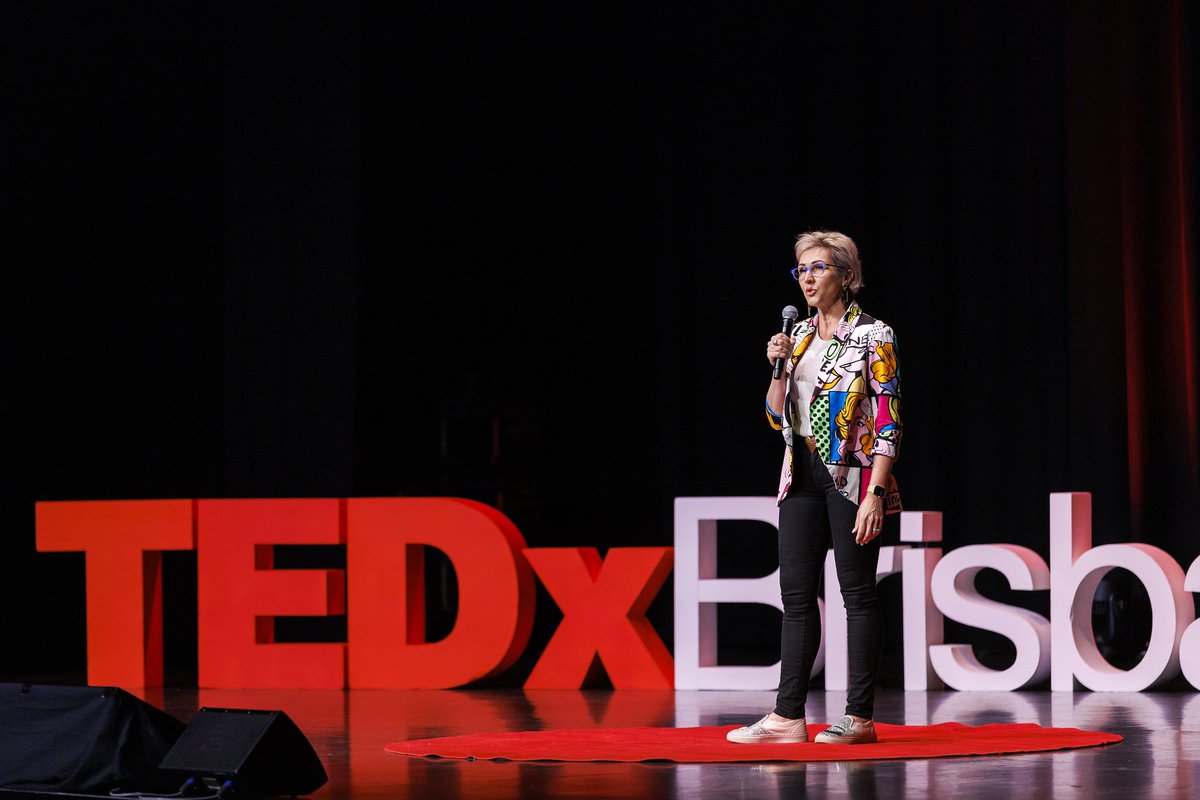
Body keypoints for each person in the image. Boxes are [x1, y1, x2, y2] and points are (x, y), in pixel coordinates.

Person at [727, 229, 902, 745]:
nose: (807, 278)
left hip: (851, 475)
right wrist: (777, 368)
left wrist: (875, 493)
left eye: (818, 267)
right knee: (797, 597)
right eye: (801, 269)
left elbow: (888, 419)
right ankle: (788, 717)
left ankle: (859, 717)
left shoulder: (874, 334)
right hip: (799, 471)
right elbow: (774, 414)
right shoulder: (797, 335)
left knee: (857, 594)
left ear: (846, 276)